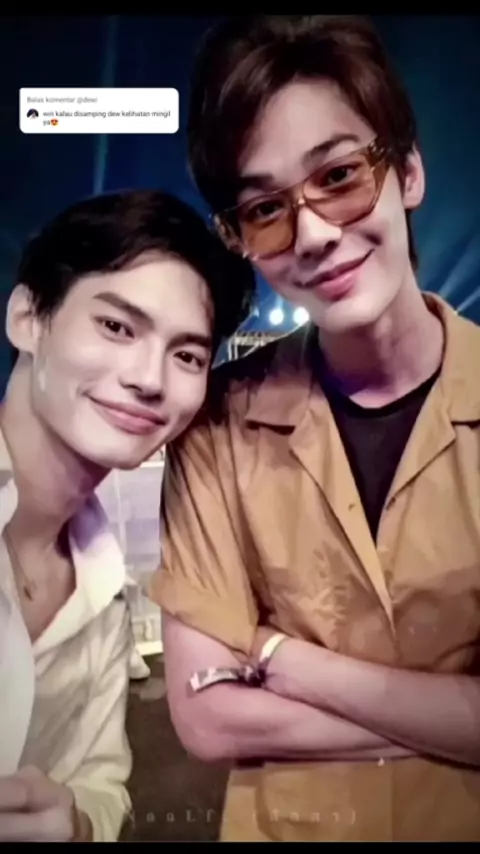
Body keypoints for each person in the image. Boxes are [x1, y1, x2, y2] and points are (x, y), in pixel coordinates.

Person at [149, 14, 480, 843]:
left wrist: (277, 655)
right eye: (266, 208)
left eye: (338, 176)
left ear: (407, 171)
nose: (316, 234)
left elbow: (236, 696)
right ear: (238, 237)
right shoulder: (217, 424)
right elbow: (207, 720)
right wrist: (450, 719)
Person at [0, 189, 254, 842]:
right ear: (28, 318)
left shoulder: (102, 579)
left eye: (188, 355)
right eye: (116, 327)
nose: (150, 378)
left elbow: (101, 785)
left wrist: (75, 824)